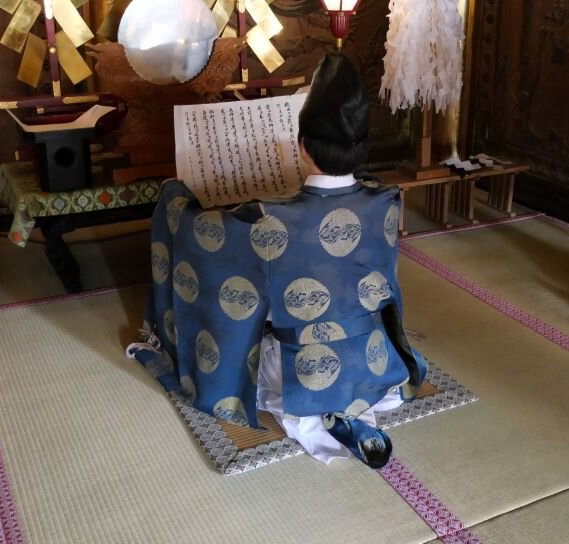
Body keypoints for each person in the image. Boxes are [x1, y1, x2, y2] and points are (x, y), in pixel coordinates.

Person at [127, 52, 426, 468]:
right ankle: (350, 400)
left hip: (301, 372)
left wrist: (174, 196)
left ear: (301, 146)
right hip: (372, 359)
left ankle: (321, 402)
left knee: (249, 318)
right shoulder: (386, 200)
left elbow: (201, 236)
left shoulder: (270, 220)